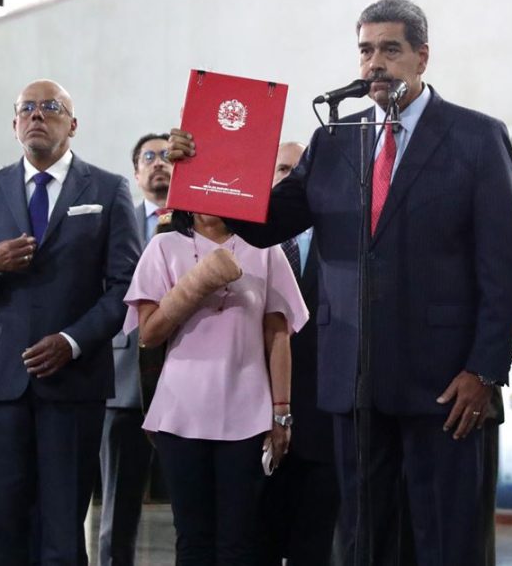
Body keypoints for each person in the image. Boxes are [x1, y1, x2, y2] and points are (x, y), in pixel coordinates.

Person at [169, 0, 512, 566]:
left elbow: (504, 269)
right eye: (365, 50)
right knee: (362, 539)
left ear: (422, 57)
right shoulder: (335, 139)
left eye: (390, 49)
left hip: (447, 385)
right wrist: (203, 168)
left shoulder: (476, 137)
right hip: (353, 382)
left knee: (445, 542)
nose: (374, 64)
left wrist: (484, 369)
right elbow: (267, 224)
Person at [0, 79, 141, 564]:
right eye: (27, 108)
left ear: (73, 123)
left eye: (50, 107)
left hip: (74, 380)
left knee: (63, 533)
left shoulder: (108, 190)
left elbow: (125, 289)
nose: (37, 115)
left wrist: (72, 340)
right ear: (14, 125)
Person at [123, 209, 306, 563]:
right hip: (181, 411)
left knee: (239, 539)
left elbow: (278, 334)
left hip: (247, 411)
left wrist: (282, 412)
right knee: (193, 537)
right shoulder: (163, 246)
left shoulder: (265, 247)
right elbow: (148, 334)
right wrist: (198, 283)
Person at [259, 141, 339, 566]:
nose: (291, 179)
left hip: (322, 421)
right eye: (283, 169)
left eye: (299, 172)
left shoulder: (341, 239)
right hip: (252, 421)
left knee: (314, 545)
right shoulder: (244, 240)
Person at [98, 132, 174, 566]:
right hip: (124, 378)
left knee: (193, 504)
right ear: (136, 171)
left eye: (167, 156)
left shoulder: (198, 222)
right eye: (149, 157)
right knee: (118, 505)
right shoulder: (115, 220)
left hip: (186, 375)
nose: (159, 162)